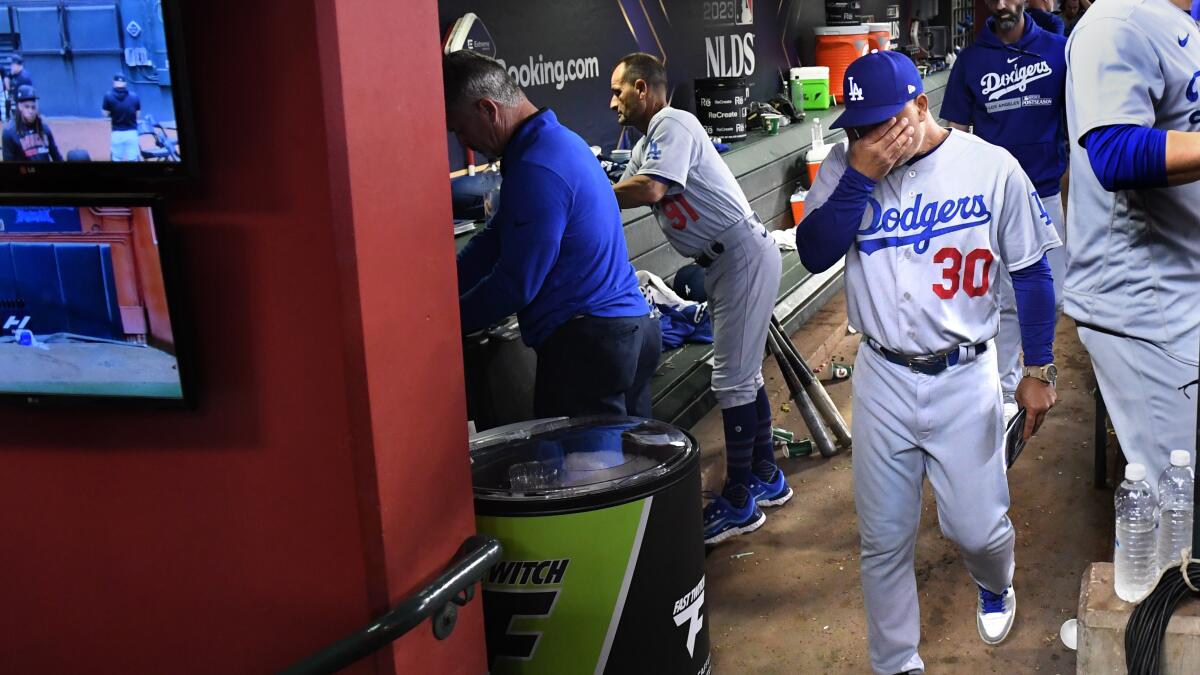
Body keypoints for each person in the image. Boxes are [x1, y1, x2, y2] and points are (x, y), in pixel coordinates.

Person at [795, 51, 1059, 674]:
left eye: (884, 123)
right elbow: (812, 253)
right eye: (858, 128)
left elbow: (1033, 274)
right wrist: (858, 171)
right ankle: (896, 662)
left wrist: (1039, 370)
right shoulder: (846, 167)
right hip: (882, 377)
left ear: (921, 105)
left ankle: (995, 581)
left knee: (977, 530)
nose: (871, 139)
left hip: (966, 375)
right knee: (883, 540)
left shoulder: (989, 167)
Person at [608, 53, 789, 545]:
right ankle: (765, 476)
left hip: (739, 254)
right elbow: (635, 176)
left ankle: (737, 501)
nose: (612, 103)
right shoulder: (649, 139)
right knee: (742, 376)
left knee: (731, 380)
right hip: (728, 260)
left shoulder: (673, 122)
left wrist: (593, 191)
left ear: (643, 88)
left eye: (619, 92)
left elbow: (651, 188)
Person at [444, 50, 660, 420]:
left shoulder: (535, 168)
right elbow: (493, 238)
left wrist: (444, 322)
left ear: (488, 109)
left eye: (460, 128)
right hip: (629, 332)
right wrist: (440, 288)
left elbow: (515, 283)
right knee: (631, 465)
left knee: (588, 474)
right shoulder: (559, 141)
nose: (464, 140)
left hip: (592, 346)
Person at [1064, 0, 1200, 494]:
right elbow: (1115, 151)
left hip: (1178, 283)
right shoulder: (1115, 21)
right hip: (1145, 302)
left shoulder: (1177, 19)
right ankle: (1160, 577)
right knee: (1173, 504)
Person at [941, 0, 1068, 423]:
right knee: (1004, 299)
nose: (1001, 5)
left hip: (1047, 193)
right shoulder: (971, 61)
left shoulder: (1056, 50)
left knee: (1053, 297)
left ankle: (1033, 369)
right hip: (995, 200)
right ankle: (1003, 391)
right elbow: (955, 136)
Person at [3, 85, 61, 162]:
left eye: (33, 107)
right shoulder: (9, 133)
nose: (31, 111)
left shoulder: (44, 129)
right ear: (20, 107)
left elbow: (56, 156)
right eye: (27, 107)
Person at [102, 73, 141, 161]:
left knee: (117, 159)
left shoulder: (108, 96)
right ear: (125, 83)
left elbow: (105, 114)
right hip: (132, 133)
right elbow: (138, 116)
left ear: (114, 83)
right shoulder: (135, 96)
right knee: (133, 159)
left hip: (117, 133)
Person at [5, 54, 31, 122]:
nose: (11, 67)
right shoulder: (17, 74)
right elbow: (8, 76)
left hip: (24, 109)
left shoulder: (23, 78)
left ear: (17, 65)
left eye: (12, 65)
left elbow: (26, 99)